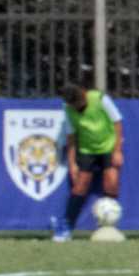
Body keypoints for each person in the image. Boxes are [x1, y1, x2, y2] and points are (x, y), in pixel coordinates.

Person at [53, 82, 124, 241]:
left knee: (111, 182)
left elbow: (117, 122)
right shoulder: (68, 109)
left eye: (78, 102)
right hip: (87, 150)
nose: (77, 107)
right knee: (80, 186)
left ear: (83, 93)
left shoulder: (100, 99)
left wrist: (117, 150)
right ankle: (66, 227)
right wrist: (72, 164)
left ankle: (107, 227)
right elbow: (71, 137)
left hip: (108, 146)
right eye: (72, 104)